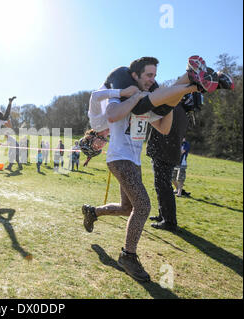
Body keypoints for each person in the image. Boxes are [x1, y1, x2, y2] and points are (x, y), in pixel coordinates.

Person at [81, 56, 208, 282]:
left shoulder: (146, 101)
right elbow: (112, 115)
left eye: (155, 76)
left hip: (134, 162)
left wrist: (169, 103)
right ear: (135, 76)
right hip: (119, 159)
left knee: (126, 207)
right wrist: (135, 96)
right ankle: (128, 256)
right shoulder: (123, 95)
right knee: (143, 205)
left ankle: (93, 212)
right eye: (148, 75)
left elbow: (164, 128)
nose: (152, 80)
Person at [146, 93, 200, 231]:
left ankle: (169, 221)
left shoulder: (173, 107)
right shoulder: (182, 112)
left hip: (164, 152)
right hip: (168, 153)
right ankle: (163, 215)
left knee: (163, 187)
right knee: (162, 186)